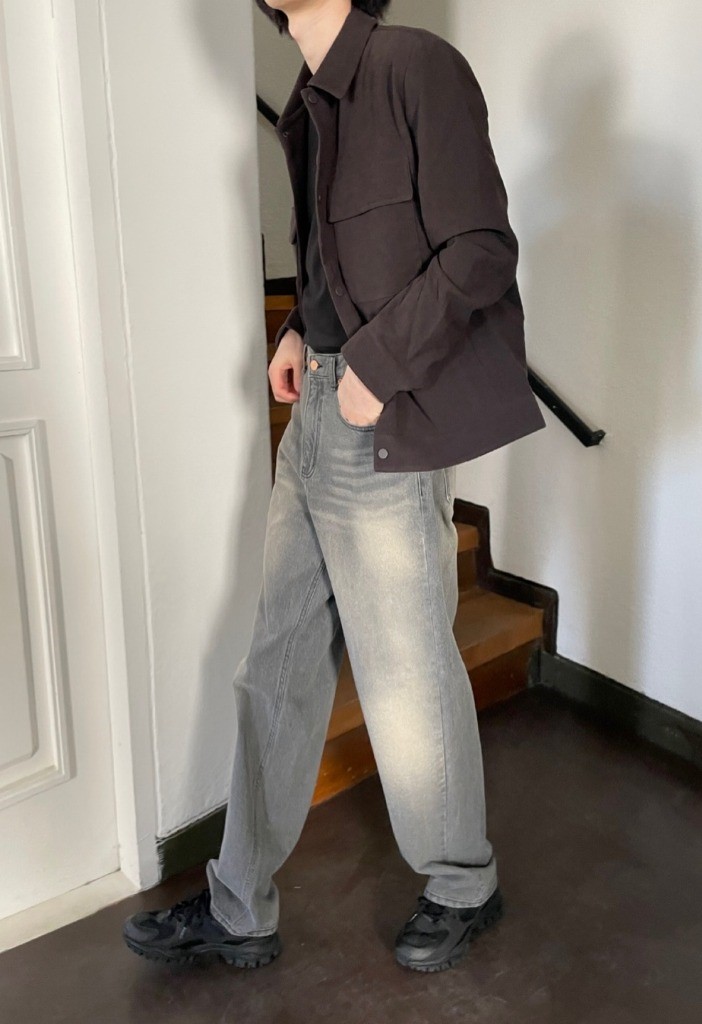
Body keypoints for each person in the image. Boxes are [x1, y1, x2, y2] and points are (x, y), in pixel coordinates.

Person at [122, 0, 545, 974]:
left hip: (381, 416)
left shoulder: (411, 66)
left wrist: (373, 369)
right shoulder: (308, 100)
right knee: (275, 662)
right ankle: (240, 906)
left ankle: (462, 883)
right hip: (315, 408)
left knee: (406, 674)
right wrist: (297, 333)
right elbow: (341, 265)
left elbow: (480, 248)